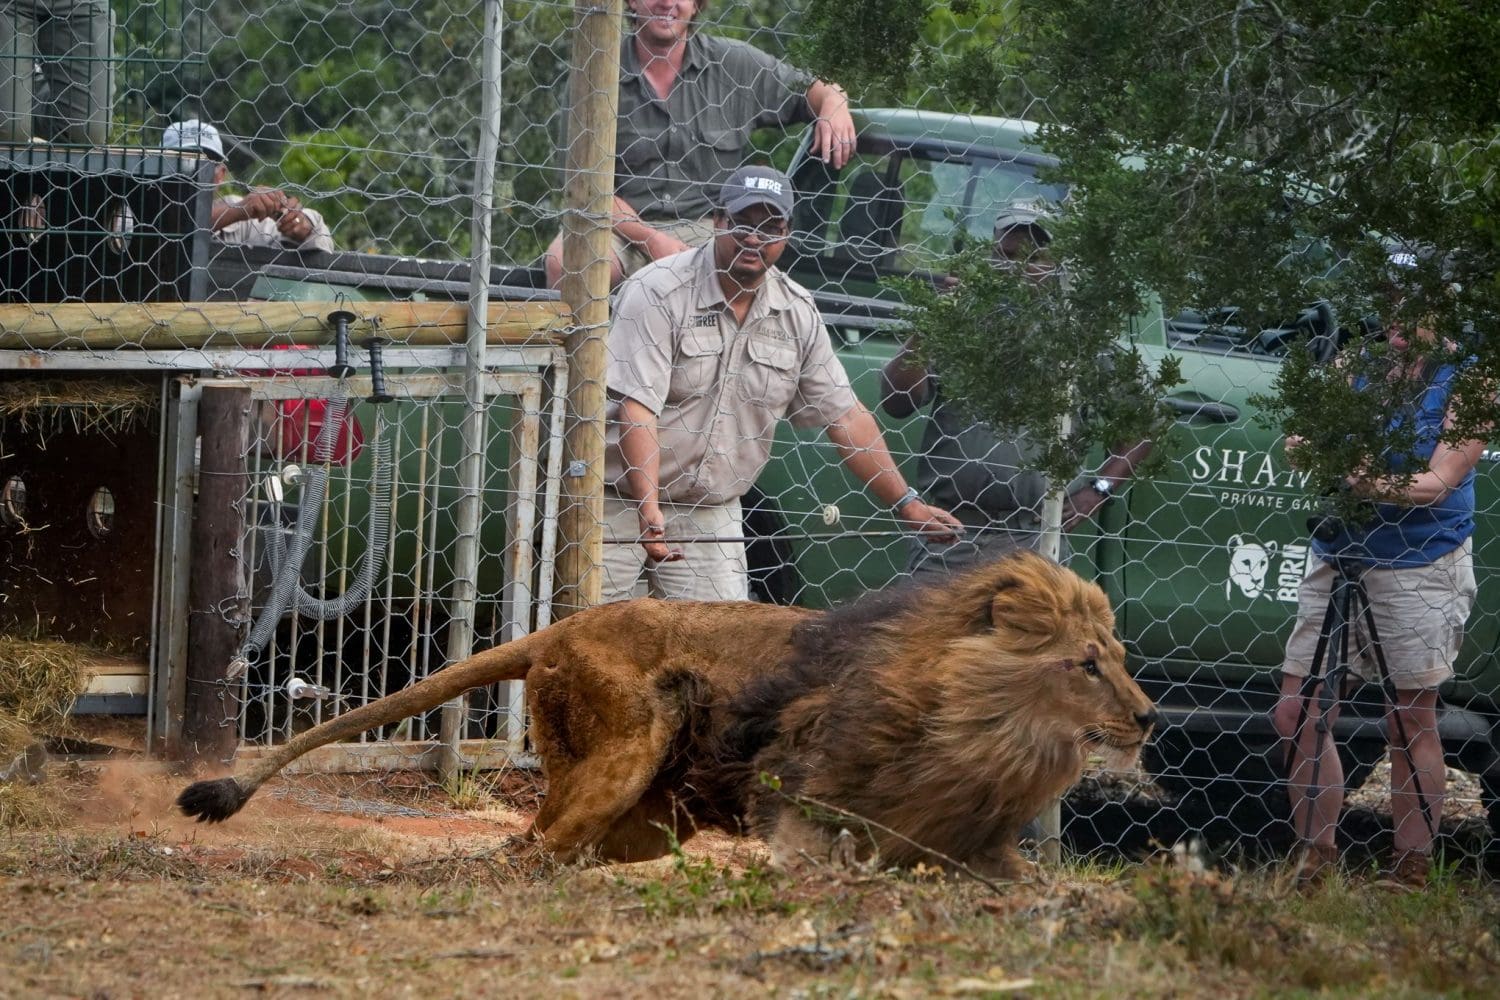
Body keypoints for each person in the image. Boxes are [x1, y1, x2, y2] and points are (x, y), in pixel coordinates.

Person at [602, 164, 961, 602]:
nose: (755, 239)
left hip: (712, 512)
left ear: (788, 233)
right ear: (717, 221)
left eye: (771, 228)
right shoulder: (658, 290)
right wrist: (648, 509)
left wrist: (907, 504)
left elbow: (846, 416)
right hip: (616, 502)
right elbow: (637, 407)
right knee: (589, 642)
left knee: (715, 653)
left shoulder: (797, 312)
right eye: (742, 224)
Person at [1274, 264, 1487, 890]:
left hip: (1421, 559)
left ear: (1443, 307)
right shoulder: (1356, 363)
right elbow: (1299, 436)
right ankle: (1315, 863)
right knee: (1298, 711)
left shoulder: (1473, 380)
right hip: (1340, 549)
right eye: (1388, 296)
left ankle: (1410, 871)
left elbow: (1439, 482)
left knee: (1407, 719)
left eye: (1411, 300)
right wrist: (1310, 446)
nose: (1394, 311)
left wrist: (1362, 479)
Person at [879, 205, 1152, 580]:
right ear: (990, 256)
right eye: (1006, 257)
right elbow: (896, 403)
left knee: (1026, 638)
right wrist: (934, 322)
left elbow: (1143, 426)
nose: (1017, 270)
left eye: (1033, 259)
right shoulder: (959, 321)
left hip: (1035, 539)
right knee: (926, 636)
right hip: (950, 533)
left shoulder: (1081, 339)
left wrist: (1098, 489)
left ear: (1058, 265)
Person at [542, 0, 856, 289]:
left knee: (741, 266)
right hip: (620, 227)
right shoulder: (596, 72)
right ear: (631, 2)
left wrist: (834, 103)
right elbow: (583, 187)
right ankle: (597, 350)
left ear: (696, 5)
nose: (667, 3)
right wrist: (651, 239)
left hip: (711, 228)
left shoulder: (734, 66)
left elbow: (813, 89)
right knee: (566, 263)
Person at [162, 119, 334, 252]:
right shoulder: (142, 208)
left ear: (221, 174)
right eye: (184, 161)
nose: (196, 172)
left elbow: (322, 242)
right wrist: (237, 211)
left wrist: (301, 224)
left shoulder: (244, 224)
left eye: (207, 164)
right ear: (158, 169)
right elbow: (170, 223)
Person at [0, 0, 111, 145]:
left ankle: (27, 84)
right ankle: (17, 90)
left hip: (80, 4)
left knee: (87, 132)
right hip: (10, 4)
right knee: (10, 131)